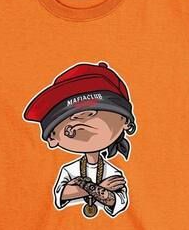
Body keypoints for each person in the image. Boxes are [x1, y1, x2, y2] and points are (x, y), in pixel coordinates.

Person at [23, 61, 136, 218]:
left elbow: (116, 201)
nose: (82, 116)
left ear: (126, 122)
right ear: (52, 138)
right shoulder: (68, 170)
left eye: (97, 110)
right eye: (69, 116)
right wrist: (99, 187)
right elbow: (62, 194)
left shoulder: (113, 171)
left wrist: (80, 187)